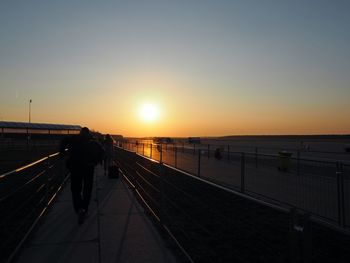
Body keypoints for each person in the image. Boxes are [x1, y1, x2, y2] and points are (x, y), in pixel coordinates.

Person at [60, 127, 104, 225]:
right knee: (87, 189)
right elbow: (102, 152)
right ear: (88, 134)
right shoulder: (93, 142)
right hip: (88, 168)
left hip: (75, 167)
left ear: (80, 133)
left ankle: (79, 208)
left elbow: (63, 141)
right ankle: (84, 208)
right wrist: (95, 162)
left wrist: (62, 153)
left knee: (75, 189)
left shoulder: (73, 139)